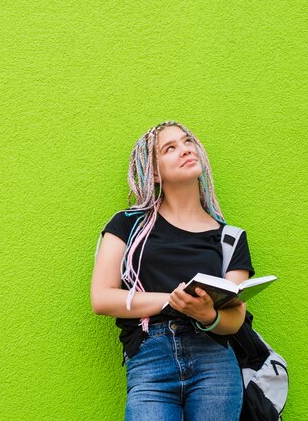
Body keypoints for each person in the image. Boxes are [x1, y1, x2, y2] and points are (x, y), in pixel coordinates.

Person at [91, 120, 255, 421]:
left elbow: (235, 318)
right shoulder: (127, 225)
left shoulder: (230, 237)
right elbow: (101, 299)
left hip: (215, 363)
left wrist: (207, 315)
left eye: (187, 141)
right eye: (170, 148)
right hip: (150, 360)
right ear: (153, 172)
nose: (185, 149)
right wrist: (176, 300)